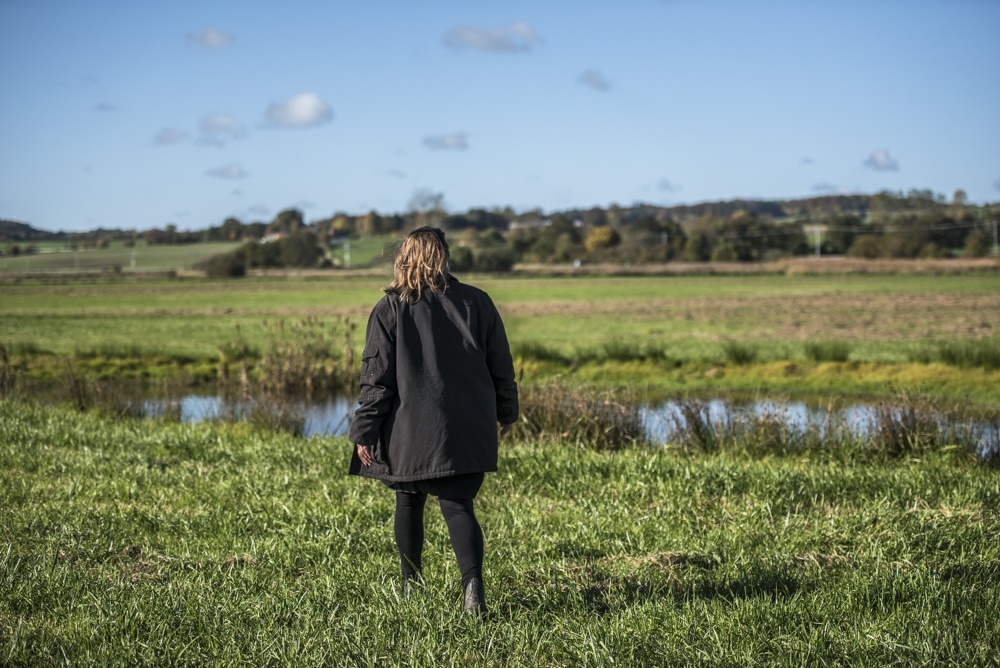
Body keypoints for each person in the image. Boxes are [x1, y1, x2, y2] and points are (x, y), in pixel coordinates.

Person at [348, 226, 519, 615]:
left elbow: (376, 380)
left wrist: (364, 432)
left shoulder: (389, 308)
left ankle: (411, 587)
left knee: (408, 502)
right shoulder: (478, 302)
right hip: (465, 431)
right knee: (459, 506)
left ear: (404, 257)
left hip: (408, 432)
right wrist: (507, 411)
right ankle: (472, 586)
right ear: (443, 256)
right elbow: (501, 366)